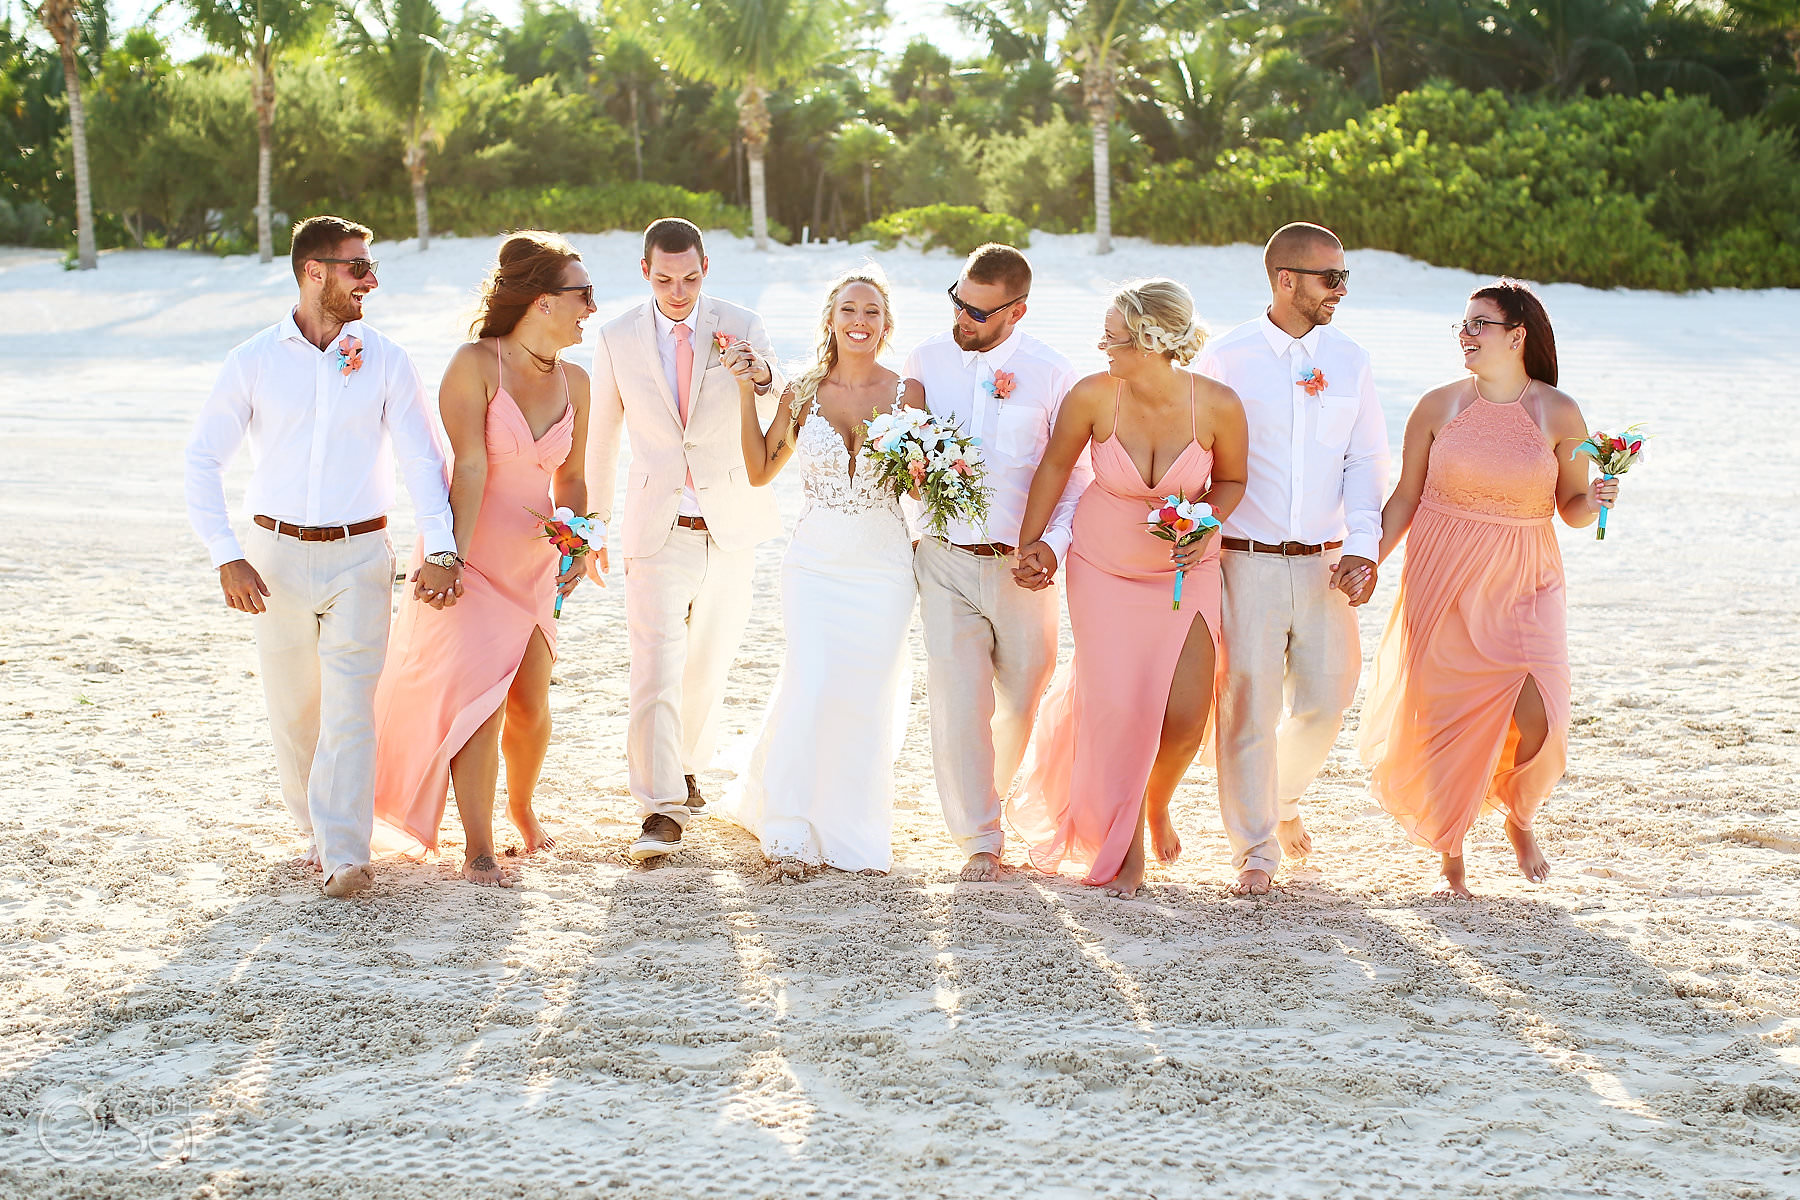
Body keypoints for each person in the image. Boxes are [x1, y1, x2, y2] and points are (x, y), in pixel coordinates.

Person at [184, 214, 458, 899]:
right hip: (271, 555)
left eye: (372, 268)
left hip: (361, 554)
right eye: (357, 268)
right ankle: (317, 830)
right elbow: (201, 461)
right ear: (314, 271)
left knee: (349, 708)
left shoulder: (389, 359)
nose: (370, 280)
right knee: (294, 712)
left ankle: (345, 852)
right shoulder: (251, 359)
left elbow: (423, 460)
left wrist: (444, 546)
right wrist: (226, 554)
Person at [1359, 280, 1616, 898]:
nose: (1466, 337)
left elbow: (1572, 509)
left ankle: (1518, 813)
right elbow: (1405, 499)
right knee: (1447, 711)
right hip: (1444, 570)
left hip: (1526, 575)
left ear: (1516, 336)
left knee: (1541, 714)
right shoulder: (1439, 406)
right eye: (1463, 326)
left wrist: (1599, 498)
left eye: (1479, 325)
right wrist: (1366, 559)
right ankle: (1451, 846)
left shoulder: (1558, 412)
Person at [1008, 279, 1248, 897]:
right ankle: (1125, 843)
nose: (1103, 346)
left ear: (1151, 340)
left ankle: (1155, 801)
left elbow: (1232, 480)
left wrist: (1206, 524)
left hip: (1182, 570)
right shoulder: (1094, 394)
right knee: (1119, 711)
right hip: (1103, 569)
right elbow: (1056, 466)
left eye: (1114, 337)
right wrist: (1032, 541)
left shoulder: (1218, 405)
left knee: (1188, 714)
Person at [371, 232, 596, 886]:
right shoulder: (475, 364)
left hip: (535, 557)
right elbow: (467, 469)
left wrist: (577, 541)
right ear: (541, 301)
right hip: (469, 548)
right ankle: (477, 848)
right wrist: (448, 557)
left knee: (530, 702)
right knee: (480, 701)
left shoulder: (578, 381)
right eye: (582, 294)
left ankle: (523, 808)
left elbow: (573, 480)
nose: (591, 307)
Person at [1197, 221, 1388, 896]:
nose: (1340, 290)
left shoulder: (1353, 360)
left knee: (1328, 696)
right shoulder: (1225, 357)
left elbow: (1366, 458)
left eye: (1344, 278)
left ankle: (1279, 799)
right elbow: (1202, 456)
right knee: (1245, 703)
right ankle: (1253, 848)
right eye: (1329, 278)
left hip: (1326, 561)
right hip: (1244, 558)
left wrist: (1364, 548)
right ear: (1286, 280)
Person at [586, 218, 785, 862]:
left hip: (731, 524)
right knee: (655, 666)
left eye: (691, 278)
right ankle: (659, 804)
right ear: (645, 271)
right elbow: (603, 440)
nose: (679, 291)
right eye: (666, 278)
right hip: (655, 525)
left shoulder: (742, 322)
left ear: (707, 269)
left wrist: (757, 372)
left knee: (710, 662)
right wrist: (591, 526)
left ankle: (686, 766)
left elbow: (781, 393)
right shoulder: (615, 337)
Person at [718, 268, 923, 876]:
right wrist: (742, 394)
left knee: (863, 692)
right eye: (849, 310)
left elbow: (919, 483)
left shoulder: (906, 395)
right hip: (813, 565)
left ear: (886, 326)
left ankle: (851, 824)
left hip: (884, 565)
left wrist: (931, 469)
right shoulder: (801, 392)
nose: (860, 322)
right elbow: (759, 472)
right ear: (831, 320)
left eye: (872, 312)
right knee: (810, 680)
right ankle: (787, 820)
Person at [907, 242, 1091, 883]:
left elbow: (1075, 475)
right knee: (959, 703)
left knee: (1023, 698)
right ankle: (979, 835)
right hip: (944, 561)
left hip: (1021, 569)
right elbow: (904, 464)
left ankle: (1006, 796)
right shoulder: (926, 359)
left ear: (1016, 312)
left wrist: (1053, 546)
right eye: (957, 301)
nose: (963, 319)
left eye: (979, 313)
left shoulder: (1054, 372)